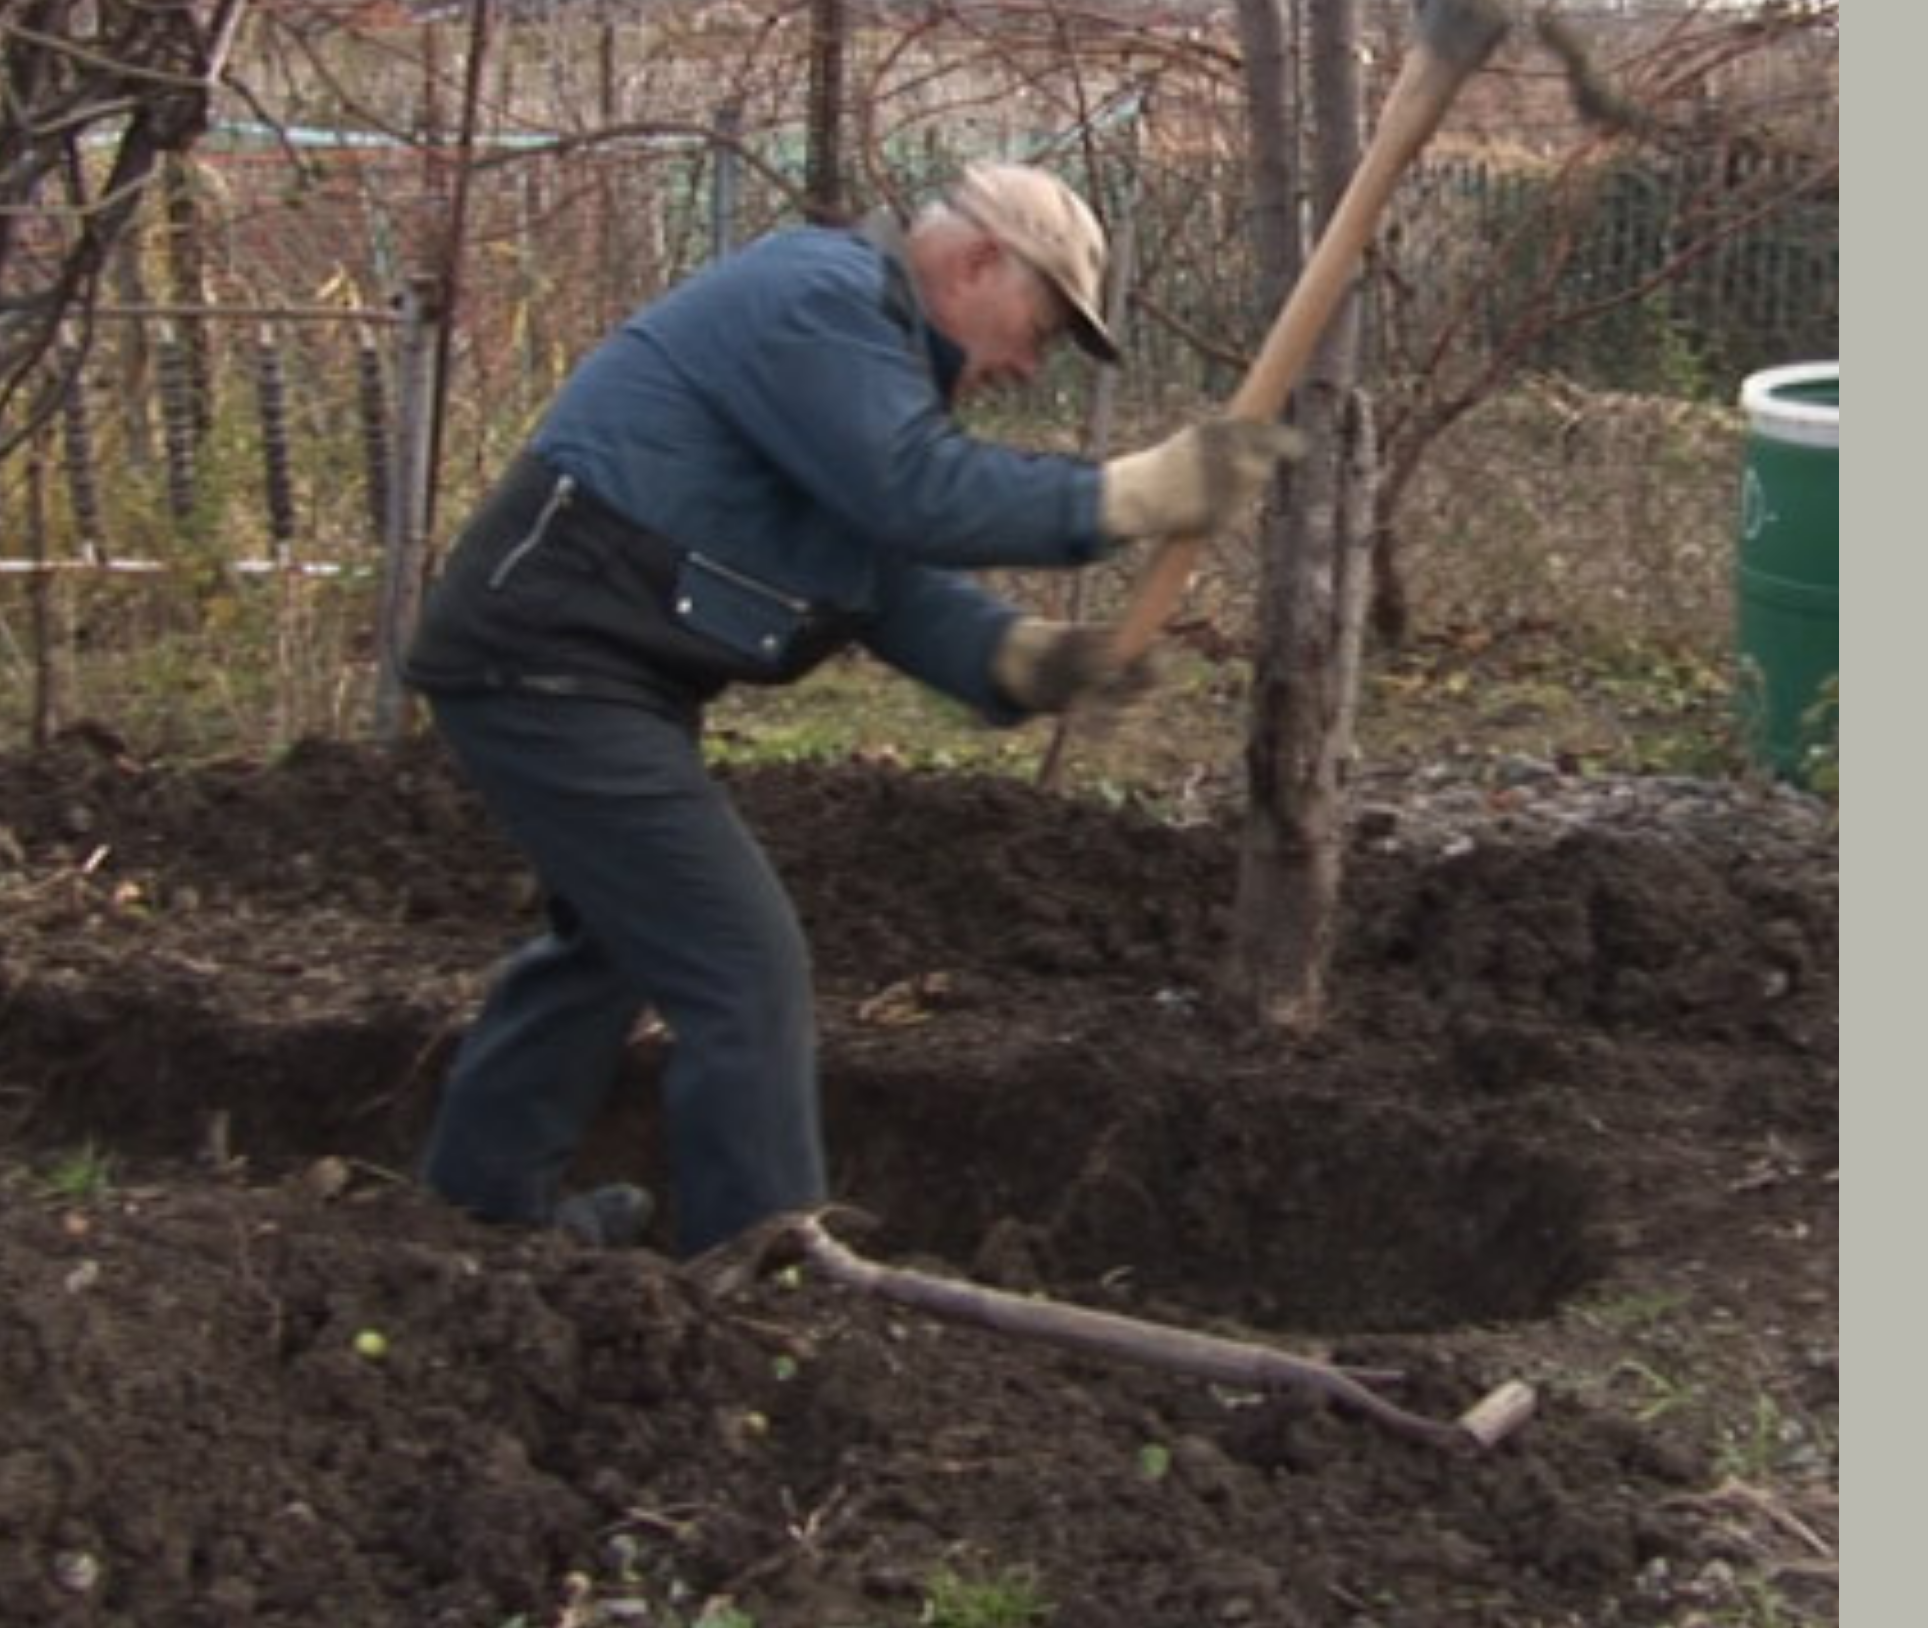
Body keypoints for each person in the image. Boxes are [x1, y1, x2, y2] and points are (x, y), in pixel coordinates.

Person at [404, 159, 1290, 1258]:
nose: (1028, 365)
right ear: (978, 262)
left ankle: (481, 1211)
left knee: (618, 941)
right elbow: (912, 493)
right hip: (549, 654)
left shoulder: (862, 358)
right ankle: (763, 1260)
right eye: (1041, 330)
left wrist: (1019, 659)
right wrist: (1130, 494)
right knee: (740, 960)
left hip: (585, 664)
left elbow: (879, 572)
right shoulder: (817, 299)